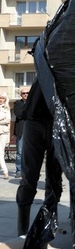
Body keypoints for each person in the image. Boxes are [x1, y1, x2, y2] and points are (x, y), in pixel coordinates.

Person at [16, 80, 62, 236]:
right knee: (29, 176)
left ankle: (46, 228)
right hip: (35, 120)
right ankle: (22, 228)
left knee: (54, 178)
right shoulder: (46, 58)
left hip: (59, 122)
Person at [13, 86, 30, 178]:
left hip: (32, 131)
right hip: (21, 130)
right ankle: (19, 170)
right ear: (21, 95)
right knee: (20, 152)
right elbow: (18, 114)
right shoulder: (17, 103)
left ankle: (31, 170)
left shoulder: (34, 103)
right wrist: (28, 113)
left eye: (27, 93)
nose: (26, 95)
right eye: (24, 93)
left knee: (31, 152)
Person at [0, 92, 11, 180]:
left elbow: (8, 120)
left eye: (2, 98)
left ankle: (5, 171)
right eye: (0, 98)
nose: (1, 99)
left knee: (1, 152)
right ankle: (5, 171)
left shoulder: (7, 108)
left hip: (3, 132)